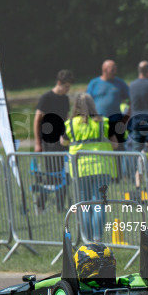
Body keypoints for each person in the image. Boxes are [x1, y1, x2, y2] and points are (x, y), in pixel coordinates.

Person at [61, 93, 117, 241]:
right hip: (101, 167)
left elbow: (63, 142)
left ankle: (88, 239)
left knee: (84, 204)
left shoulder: (71, 124)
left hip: (79, 168)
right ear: (93, 105)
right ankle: (97, 238)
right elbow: (115, 143)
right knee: (99, 202)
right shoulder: (103, 122)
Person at [33, 70, 73, 210]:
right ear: (58, 83)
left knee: (64, 173)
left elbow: (66, 118)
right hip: (49, 141)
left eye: (69, 87)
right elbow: (37, 119)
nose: (67, 89)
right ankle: (41, 202)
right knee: (52, 174)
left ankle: (61, 206)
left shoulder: (65, 99)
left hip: (63, 141)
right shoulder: (47, 98)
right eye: (66, 86)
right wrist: (38, 143)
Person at [86, 59, 130, 145]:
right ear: (104, 70)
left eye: (115, 69)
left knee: (118, 149)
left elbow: (131, 100)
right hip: (98, 122)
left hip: (116, 122)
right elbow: (87, 102)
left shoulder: (119, 83)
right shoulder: (94, 83)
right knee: (100, 147)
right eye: (112, 69)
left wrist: (126, 118)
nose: (115, 72)